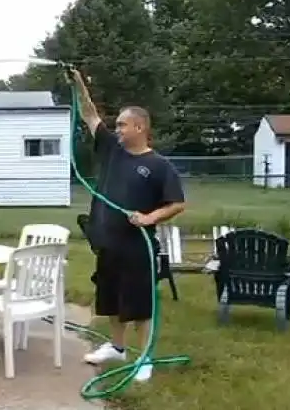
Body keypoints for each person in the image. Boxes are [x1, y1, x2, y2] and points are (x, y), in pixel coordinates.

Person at [69, 69, 186, 382]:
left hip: (137, 248)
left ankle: (144, 356)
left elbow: (177, 203)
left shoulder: (160, 166)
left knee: (139, 305)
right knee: (110, 299)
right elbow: (90, 114)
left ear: (140, 127)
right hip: (108, 244)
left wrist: (149, 218)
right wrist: (80, 84)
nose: (117, 129)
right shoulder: (111, 150)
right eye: (117, 124)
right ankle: (117, 348)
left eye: (122, 124)